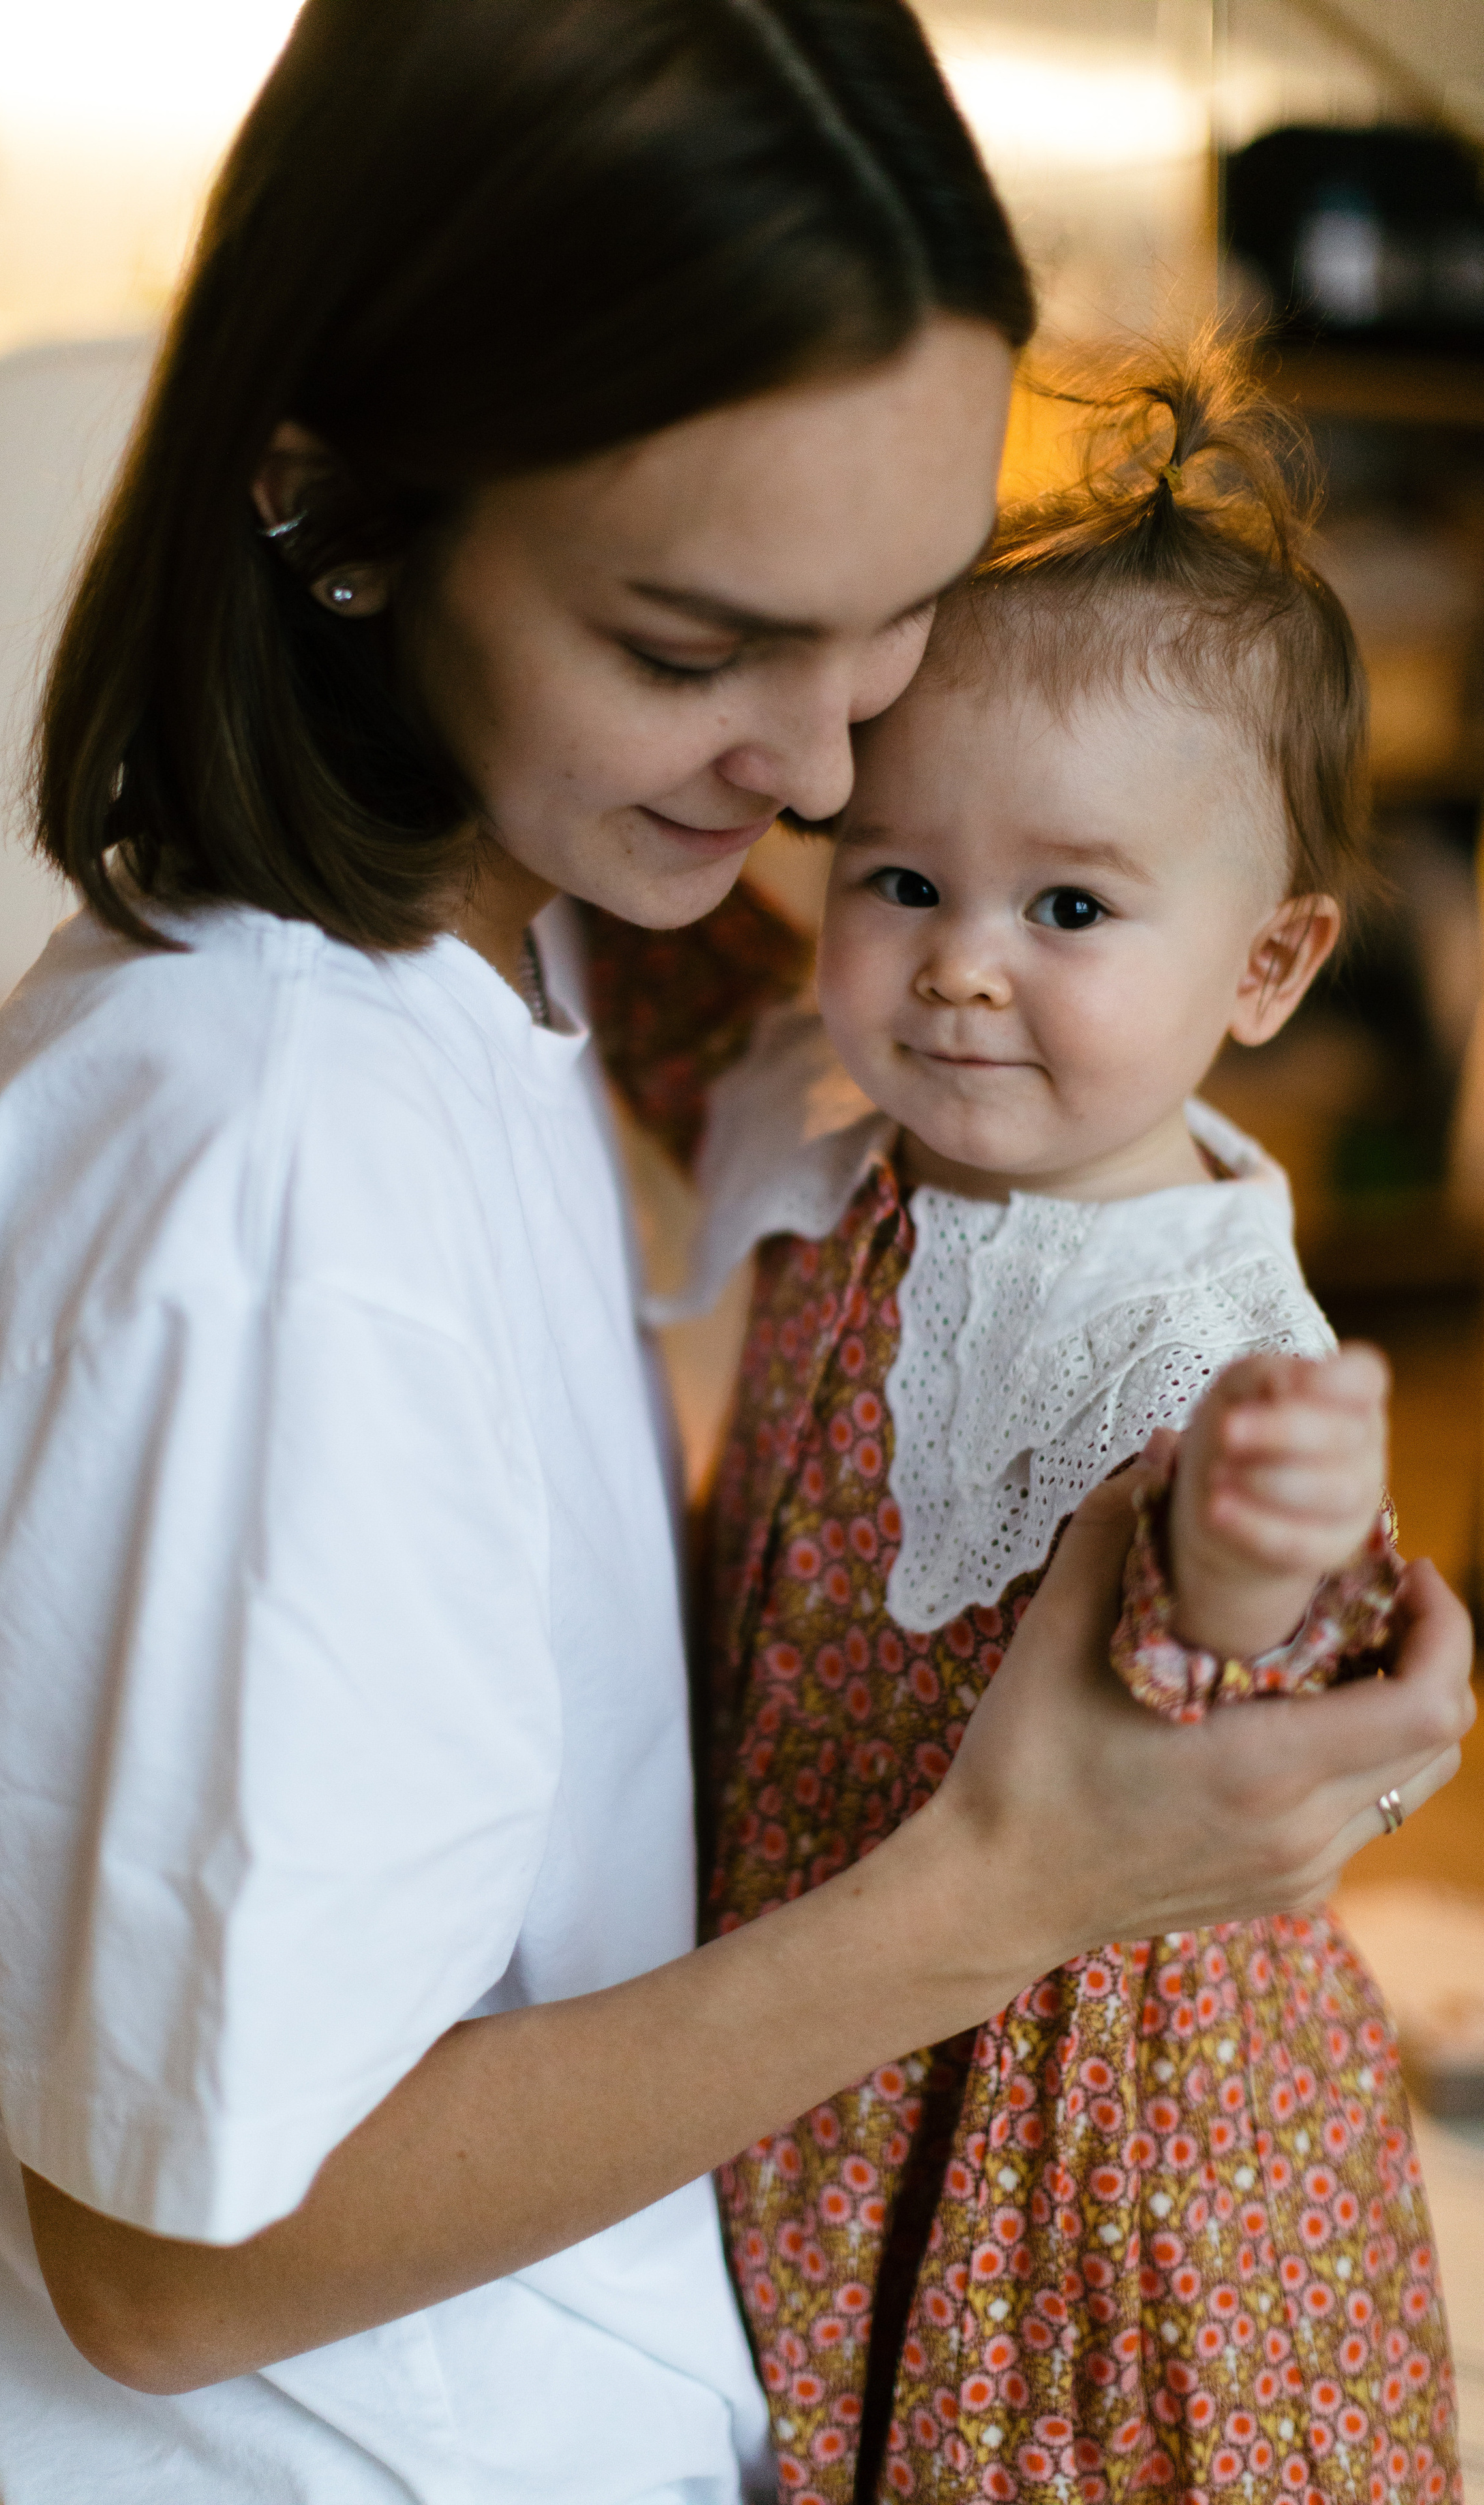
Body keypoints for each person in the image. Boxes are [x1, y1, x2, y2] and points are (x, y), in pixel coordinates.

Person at [0, 7, 1469, 2502]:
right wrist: (1019, 1882)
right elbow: (180, 2272)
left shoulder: (540, 937)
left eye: (891, 620)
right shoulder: (265, 1191)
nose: (826, 783)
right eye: (697, 650)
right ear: (334, 507)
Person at [639, 348, 1461, 2502]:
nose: (962, 968)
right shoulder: (850, 1113)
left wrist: (1260, 1550)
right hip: (829, 1948)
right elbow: (663, 1011)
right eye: (901, 881)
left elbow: (1244, 1666)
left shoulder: (1199, 1322)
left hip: (1053, 2058)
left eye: (1071, 908)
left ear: (1268, 963)